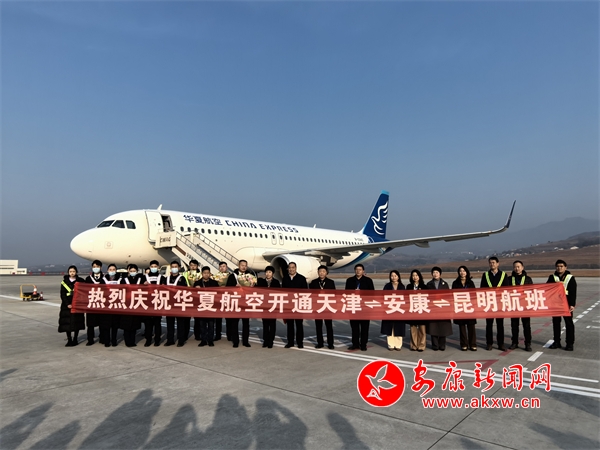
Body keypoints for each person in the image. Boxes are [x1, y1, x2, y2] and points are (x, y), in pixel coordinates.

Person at [480, 256, 509, 351]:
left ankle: (501, 344)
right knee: (489, 325)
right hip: (489, 304)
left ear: (498, 263)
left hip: (500, 304)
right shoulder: (485, 275)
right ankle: (489, 343)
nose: (492, 264)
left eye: (493, 262)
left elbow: (507, 289)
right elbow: (482, 289)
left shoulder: (503, 275)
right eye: (490, 263)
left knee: (500, 325)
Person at [548, 259, 577, 351]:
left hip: (566, 304)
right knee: (556, 323)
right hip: (555, 304)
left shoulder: (570, 277)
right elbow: (547, 289)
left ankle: (569, 343)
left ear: (565, 267)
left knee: (569, 324)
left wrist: (572, 304)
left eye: (561, 266)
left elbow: (573, 291)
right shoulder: (552, 277)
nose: (559, 268)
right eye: (557, 266)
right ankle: (556, 342)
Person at [226, 260, 256, 348]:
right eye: (242, 265)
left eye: (245, 265)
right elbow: (227, 288)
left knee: (246, 323)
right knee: (234, 323)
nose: (244, 267)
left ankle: (245, 341)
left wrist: (252, 286)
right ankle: (235, 341)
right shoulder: (233, 276)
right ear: (238, 265)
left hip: (246, 302)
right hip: (236, 302)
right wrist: (234, 287)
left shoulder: (250, 276)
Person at [345, 264, 375, 351]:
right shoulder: (350, 280)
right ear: (355, 270)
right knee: (354, 327)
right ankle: (355, 344)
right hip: (353, 307)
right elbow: (346, 293)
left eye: (360, 269)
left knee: (364, 327)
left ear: (363, 271)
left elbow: (372, 294)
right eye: (357, 269)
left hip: (364, 307)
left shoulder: (368, 281)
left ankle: (363, 344)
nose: (358, 271)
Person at [309, 265, 336, 349]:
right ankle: (320, 343)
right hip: (317, 307)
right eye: (320, 271)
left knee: (329, 326)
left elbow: (334, 294)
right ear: (318, 272)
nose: (321, 273)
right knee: (318, 326)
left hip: (327, 307)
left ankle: (330, 343)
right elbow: (310, 294)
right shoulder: (313, 282)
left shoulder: (331, 282)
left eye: (323, 271)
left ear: (326, 273)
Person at [509, 261, 533, 351]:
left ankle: (528, 343)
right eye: (515, 267)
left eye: (518, 267)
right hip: (514, 305)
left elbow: (532, 291)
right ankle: (514, 342)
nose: (517, 268)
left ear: (522, 267)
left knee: (526, 326)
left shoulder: (528, 279)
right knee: (514, 326)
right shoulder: (509, 279)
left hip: (525, 306)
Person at [426, 267, 452, 351]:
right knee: (433, 327)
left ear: (440, 274)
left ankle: (442, 344)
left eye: (437, 272)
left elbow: (448, 296)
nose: (435, 274)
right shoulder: (429, 284)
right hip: (433, 308)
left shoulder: (445, 284)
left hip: (442, 308)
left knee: (442, 327)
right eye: (434, 272)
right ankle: (435, 345)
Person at [283, 262, 308, 349]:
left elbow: (305, 292)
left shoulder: (301, 278)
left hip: (298, 305)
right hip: (289, 306)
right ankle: (290, 342)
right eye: (290, 268)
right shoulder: (285, 278)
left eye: (293, 267)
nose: (291, 269)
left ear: (296, 268)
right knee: (290, 325)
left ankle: (300, 342)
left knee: (299, 324)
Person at [452, 266, 477, 351]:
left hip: (469, 307)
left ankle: (472, 344)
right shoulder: (455, 283)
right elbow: (453, 294)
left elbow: (474, 294)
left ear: (466, 272)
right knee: (462, 327)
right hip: (460, 307)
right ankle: (464, 344)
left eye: (464, 271)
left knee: (471, 326)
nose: (462, 272)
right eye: (460, 271)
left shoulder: (470, 283)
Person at [58, 265, 85, 346]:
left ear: (76, 272)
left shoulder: (80, 281)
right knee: (67, 323)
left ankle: (75, 339)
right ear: (68, 272)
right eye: (70, 271)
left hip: (77, 304)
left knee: (77, 322)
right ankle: (69, 339)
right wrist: (67, 304)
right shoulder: (64, 282)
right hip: (67, 306)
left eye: (73, 271)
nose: (72, 273)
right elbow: (62, 294)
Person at [193, 266, 219, 347]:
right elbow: (193, 294)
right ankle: (203, 340)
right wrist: (195, 289)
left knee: (211, 325)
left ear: (210, 274)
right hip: (201, 307)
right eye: (204, 273)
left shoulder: (214, 283)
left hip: (211, 307)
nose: (206, 274)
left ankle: (210, 340)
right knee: (202, 325)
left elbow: (219, 293)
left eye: (208, 273)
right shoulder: (197, 283)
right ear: (202, 274)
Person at [165, 261, 189, 346]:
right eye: (173, 267)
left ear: (179, 268)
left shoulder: (182, 278)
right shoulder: (167, 278)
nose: (174, 268)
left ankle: (181, 340)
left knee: (180, 323)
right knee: (169, 323)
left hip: (179, 304)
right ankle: (170, 340)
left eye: (176, 267)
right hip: (169, 304)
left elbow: (185, 290)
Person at [120, 264, 144, 347]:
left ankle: (132, 341)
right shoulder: (124, 280)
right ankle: (127, 341)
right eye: (131, 271)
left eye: (134, 271)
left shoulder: (140, 280)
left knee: (134, 324)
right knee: (127, 324)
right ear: (128, 271)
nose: (133, 272)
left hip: (136, 305)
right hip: (127, 305)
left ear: (137, 271)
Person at [257, 265, 281, 348]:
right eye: (266, 272)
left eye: (270, 272)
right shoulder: (261, 282)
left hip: (273, 306)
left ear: (272, 273)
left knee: (272, 324)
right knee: (265, 324)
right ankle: (265, 340)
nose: (268, 274)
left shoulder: (276, 282)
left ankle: (271, 341)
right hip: (264, 306)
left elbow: (279, 293)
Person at [380, 270, 405, 351]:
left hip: (399, 309)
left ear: (398, 277)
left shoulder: (402, 286)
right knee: (389, 327)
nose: (393, 277)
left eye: (395, 276)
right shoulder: (387, 286)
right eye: (392, 276)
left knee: (399, 326)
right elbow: (383, 296)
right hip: (389, 308)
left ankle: (398, 344)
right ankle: (391, 344)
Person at [143, 260, 165, 346]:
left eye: (155, 266)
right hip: (147, 303)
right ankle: (148, 340)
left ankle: (157, 340)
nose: (153, 268)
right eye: (152, 267)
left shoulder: (162, 277)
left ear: (158, 267)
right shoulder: (144, 277)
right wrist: (143, 284)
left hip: (157, 303)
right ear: (149, 267)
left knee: (157, 323)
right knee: (148, 323)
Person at [100, 264, 122, 347]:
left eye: (113, 269)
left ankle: (114, 340)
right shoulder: (103, 280)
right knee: (106, 325)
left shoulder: (120, 280)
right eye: (110, 269)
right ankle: (107, 341)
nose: (112, 271)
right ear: (107, 270)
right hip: (106, 305)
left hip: (116, 305)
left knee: (115, 325)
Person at [406, 269, 427, 352]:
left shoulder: (424, 286)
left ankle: (421, 345)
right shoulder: (409, 286)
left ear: (419, 276)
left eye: (416, 275)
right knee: (413, 328)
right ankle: (414, 345)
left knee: (422, 328)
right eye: (413, 275)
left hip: (421, 309)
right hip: (412, 309)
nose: (415, 277)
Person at [84, 260, 104, 345]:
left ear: (101, 268)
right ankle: (90, 339)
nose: (96, 268)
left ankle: (102, 337)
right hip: (91, 303)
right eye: (94, 267)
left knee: (102, 322)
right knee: (90, 323)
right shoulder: (88, 279)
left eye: (97, 267)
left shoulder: (104, 278)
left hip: (102, 303)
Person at [183, 260, 203, 341]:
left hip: (197, 299)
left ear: (197, 266)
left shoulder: (200, 274)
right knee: (186, 319)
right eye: (191, 265)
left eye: (195, 265)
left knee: (198, 319)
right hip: (187, 298)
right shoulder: (185, 274)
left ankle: (197, 335)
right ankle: (185, 335)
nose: (193, 267)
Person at [213, 261, 229, 341]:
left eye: (224, 266)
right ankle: (217, 334)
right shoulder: (215, 276)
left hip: (227, 298)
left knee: (228, 318)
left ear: (227, 267)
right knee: (218, 319)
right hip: (218, 299)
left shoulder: (230, 276)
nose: (222, 268)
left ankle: (229, 334)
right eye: (221, 266)